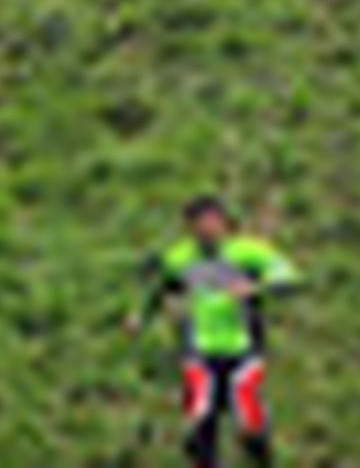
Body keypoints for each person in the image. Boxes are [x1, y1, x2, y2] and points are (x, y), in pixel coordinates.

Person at [127, 196, 300, 468]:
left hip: (243, 349)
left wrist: (256, 288)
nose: (207, 229)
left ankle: (261, 456)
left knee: (248, 419)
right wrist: (140, 316)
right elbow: (160, 285)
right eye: (199, 224)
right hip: (199, 350)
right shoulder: (181, 257)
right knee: (199, 418)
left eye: (212, 222)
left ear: (224, 222)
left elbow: (288, 276)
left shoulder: (248, 252)